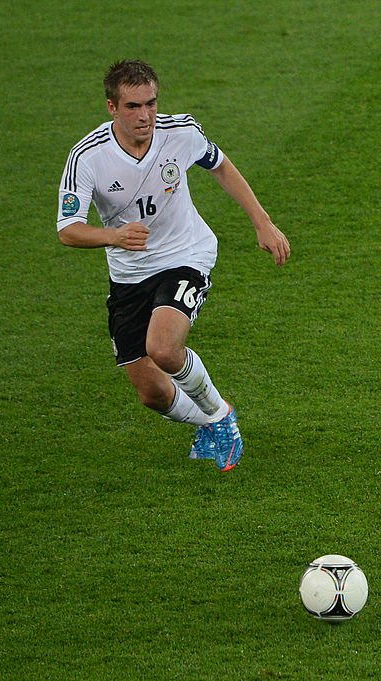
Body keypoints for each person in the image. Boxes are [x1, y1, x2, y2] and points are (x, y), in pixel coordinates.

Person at [56, 60, 290, 471]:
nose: (145, 115)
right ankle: (208, 422)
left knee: (162, 348)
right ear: (111, 107)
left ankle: (221, 418)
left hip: (186, 254)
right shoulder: (87, 156)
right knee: (153, 395)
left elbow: (220, 165)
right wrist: (113, 236)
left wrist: (262, 221)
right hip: (128, 274)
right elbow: (68, 230)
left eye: (151, 103)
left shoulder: (179, 132)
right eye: (132, 106)